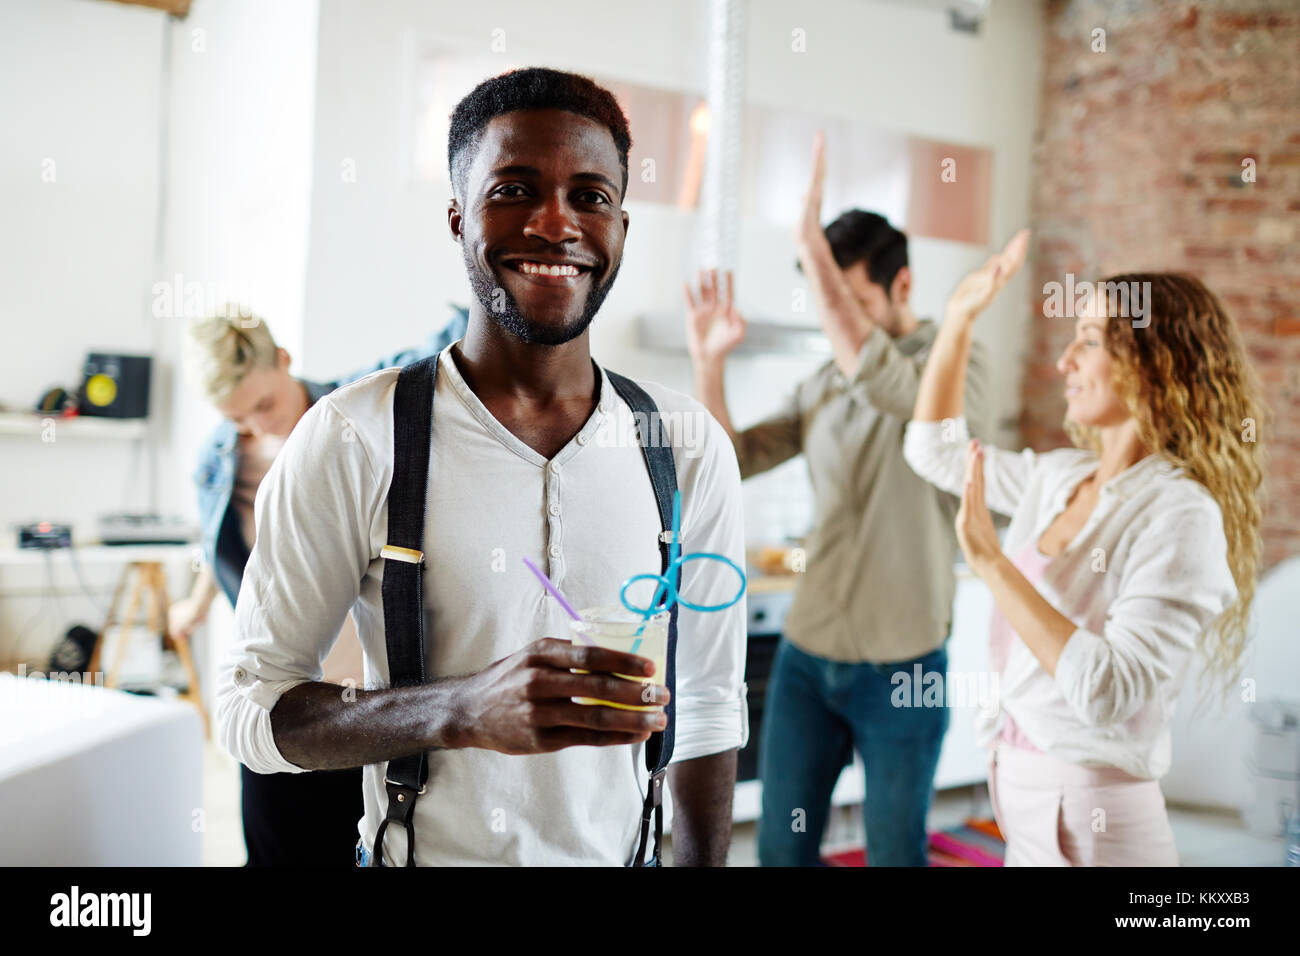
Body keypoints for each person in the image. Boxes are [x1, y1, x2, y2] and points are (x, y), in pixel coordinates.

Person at [215, 67, 747, 867]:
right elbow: (249, 712)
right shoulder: (355, 437)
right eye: (514, 189)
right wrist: (460, 709)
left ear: (623, 230)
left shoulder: (684, 443)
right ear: (459, 216)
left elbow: (706, 705)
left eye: (591, 197)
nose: (555, 223)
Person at [904, 236, 1264, 865]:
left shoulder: (1182, 514)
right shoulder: (1058, 477)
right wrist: (959, 320)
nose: (1065, 360)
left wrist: (991, 561)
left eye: (1090, 341)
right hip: (1020, 802)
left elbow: (1109, 692)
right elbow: (933, 450)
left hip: (1099, 827)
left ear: (1153, 363)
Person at [684, 133, 990, 866]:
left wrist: (810, 249)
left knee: (893, 853)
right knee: (782, 853)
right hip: (808, 661)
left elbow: (890, 385)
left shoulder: (954, 368)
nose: (836, 319)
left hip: (904, 666)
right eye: (831, 300)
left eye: (850, 300)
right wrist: (708, 362)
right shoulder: (822, 383)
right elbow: (732, 458)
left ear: (903, 286)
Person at [174, 305, 466, 866]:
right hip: (279, 696)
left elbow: (438, 351)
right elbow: (234, 553)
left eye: (264, 405)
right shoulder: (217, 461)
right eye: (239, 420)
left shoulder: (355, 416)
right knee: (274, 853)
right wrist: (196, 601)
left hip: (365, 699)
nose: (258, 426)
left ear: (285, 360)